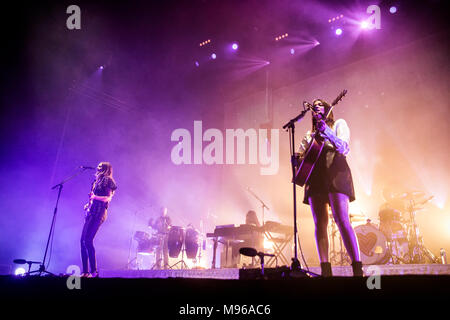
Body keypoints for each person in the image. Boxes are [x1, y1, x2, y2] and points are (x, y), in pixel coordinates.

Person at [297, 99, 363, 277]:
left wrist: (326, 132)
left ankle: (357, 268)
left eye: (319, 103)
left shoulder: (339, 124)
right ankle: (326, 270)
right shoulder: (309, 135)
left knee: (342, 219)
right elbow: (303, 158)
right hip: (315, 175)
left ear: (327, 108)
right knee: (320, 223)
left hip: (335, 169)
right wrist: (297, 161)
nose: (316, 105)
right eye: (314, 104)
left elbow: (344, 148)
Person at [81, 162, 117, 277]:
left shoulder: (107, 180)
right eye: (98, 165)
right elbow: (93, 198)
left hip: (99, 212)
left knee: (88, 240)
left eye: (101, 166)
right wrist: (89, 204)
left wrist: (94, 197)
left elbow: (108, 198)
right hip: (92, 211)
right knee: (82, 241)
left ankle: (93, 271)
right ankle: (85, 272)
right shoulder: (97, 181)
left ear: (106, 169)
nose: (98, 166)